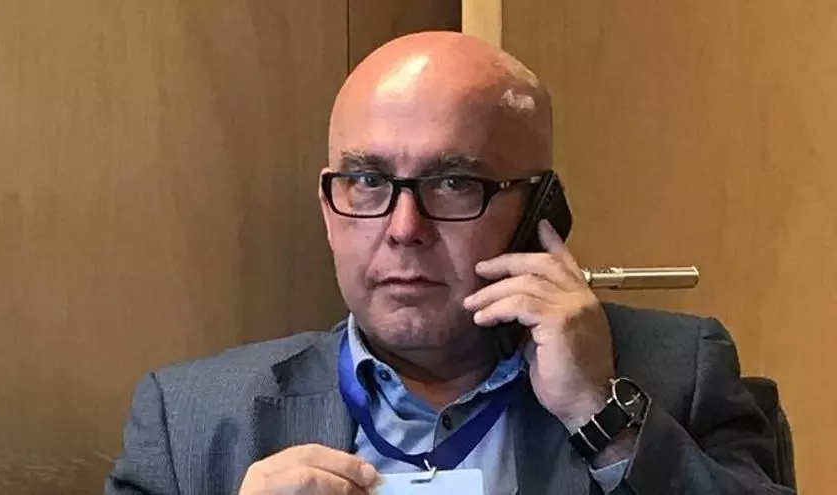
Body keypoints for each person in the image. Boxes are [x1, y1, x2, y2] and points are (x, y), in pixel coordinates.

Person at [105, 31, 792, 494]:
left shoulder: (680, 374)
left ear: (542, 210)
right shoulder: (190, 419)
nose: (404, 229)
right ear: (328, 210)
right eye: (367, 181)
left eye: (454, 183)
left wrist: (600, 415)